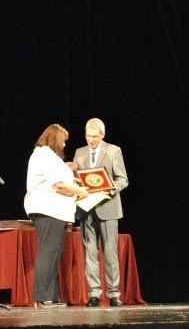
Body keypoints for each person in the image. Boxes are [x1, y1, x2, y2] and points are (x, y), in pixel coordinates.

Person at [24, 124, 89, 308]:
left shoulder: (49, 157)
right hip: (48, 209)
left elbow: (59, 180)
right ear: (56, 140)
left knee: (53, 253)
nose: (65, 145)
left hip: (54, 210)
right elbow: (59, 185)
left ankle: (51, 297)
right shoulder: (45, 155)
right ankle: (43, 297)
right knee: (49, 252)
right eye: (64, 141)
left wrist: (71, 179)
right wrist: (80, 191)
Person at [73, 118, 128, 307]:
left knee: (110, 253)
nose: (91, 140)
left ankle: (114, 294)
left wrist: (109, 188)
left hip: (108, 207)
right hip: (86, 209)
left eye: (95, 137)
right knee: (90, 253)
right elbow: (76, 180)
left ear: (103, 135)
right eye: (88, 136)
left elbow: (123, 179)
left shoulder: (113, 151)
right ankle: (94, 294)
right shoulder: (79, 153)